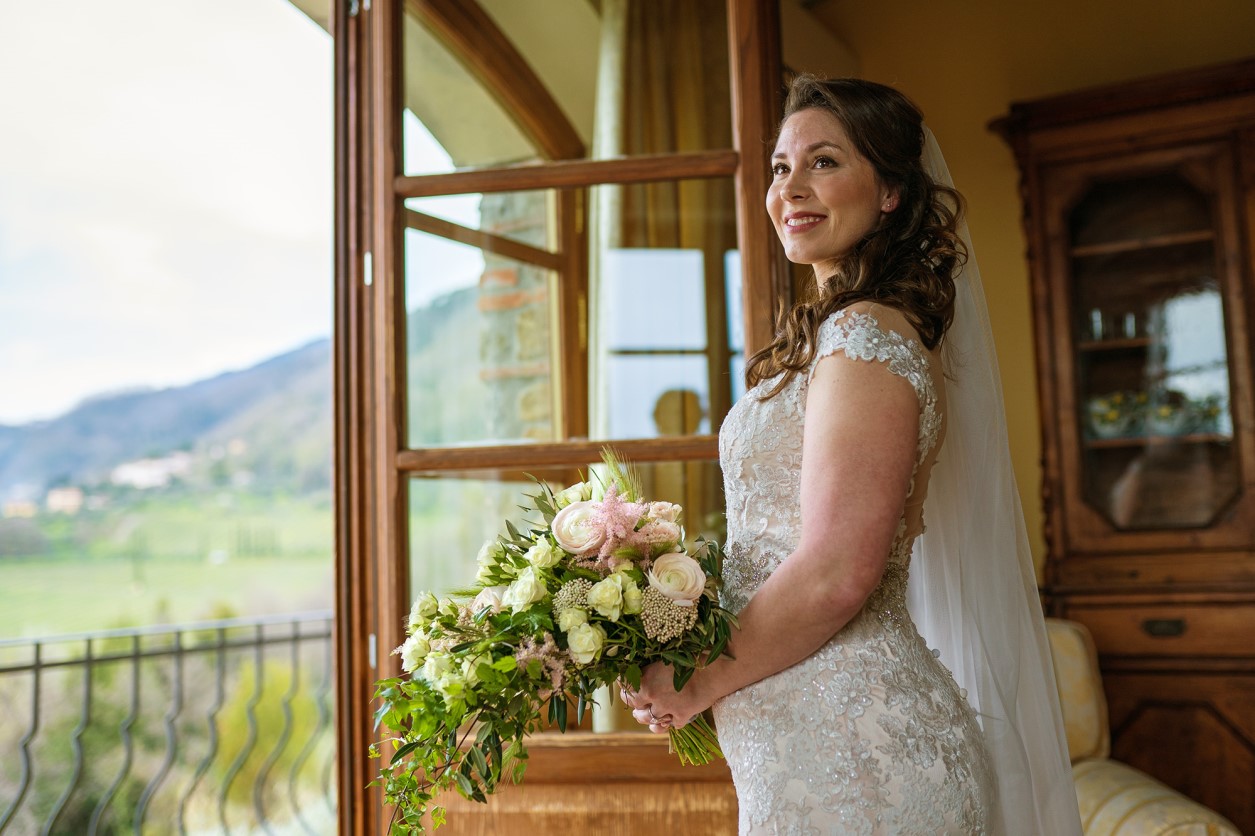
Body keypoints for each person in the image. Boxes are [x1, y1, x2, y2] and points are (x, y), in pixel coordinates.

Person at [620, 75, 1083, 834]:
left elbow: (838, 571)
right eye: (780, 167)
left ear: (891, 192)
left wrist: (693, 682)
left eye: (824, 162)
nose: (790, 188)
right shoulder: (837, 335)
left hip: (857, 760)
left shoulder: (863, 336)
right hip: (814, 747)